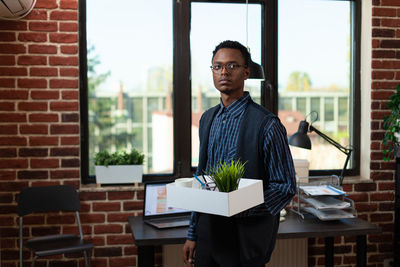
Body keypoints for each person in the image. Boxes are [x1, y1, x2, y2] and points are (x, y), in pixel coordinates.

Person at [182, 40, 297, 267]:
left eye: (232, 66)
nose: (224, 71)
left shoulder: (267, 124)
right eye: (217, 66)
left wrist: (241, 205)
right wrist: (192, 233)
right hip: (208, 233)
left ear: (246, 72)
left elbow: (284, 187)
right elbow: (202, 177)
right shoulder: (207, 119)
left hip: (246, 237)